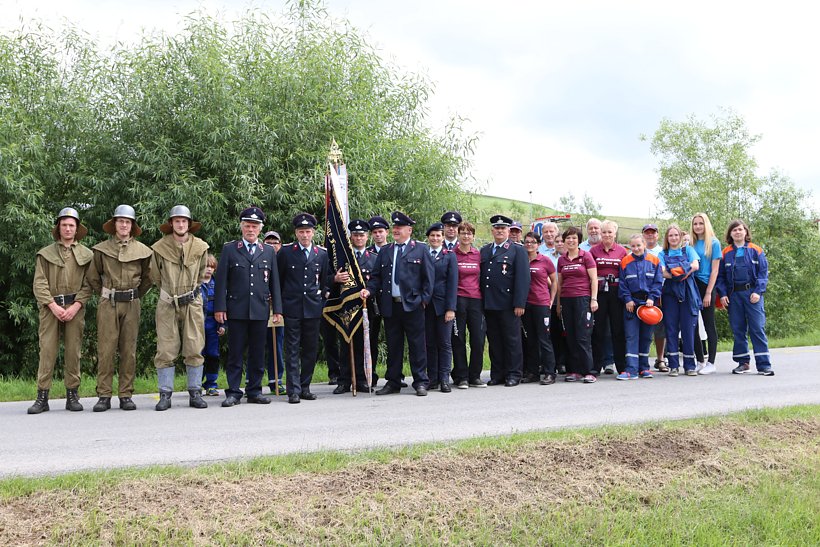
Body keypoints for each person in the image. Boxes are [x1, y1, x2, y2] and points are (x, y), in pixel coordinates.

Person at [214, 206, 282, 406]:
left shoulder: (268, 251)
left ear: (260, 229)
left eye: (254, 226)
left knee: (257, 353)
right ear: (241, 227)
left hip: (260, 310)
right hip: (236, 309)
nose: (250, 229)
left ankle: (254, 391)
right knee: (235, 353)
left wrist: (277, 309)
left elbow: (274, 283)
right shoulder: (230, 249)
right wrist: (220, 308)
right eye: (247, 226)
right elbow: (221, 282)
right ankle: (234, 392)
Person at [87, 205, 153, 412]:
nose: (124, 225)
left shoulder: (143, 251)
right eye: (120, 221)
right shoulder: (101, 250)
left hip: (132, 303)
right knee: (105, 349)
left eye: (127, 222)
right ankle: (104, 395)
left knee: (128, 350)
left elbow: (148, 278)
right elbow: (92, 277)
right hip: (109, 303)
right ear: (114, 224)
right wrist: (107, 293)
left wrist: (134, 294)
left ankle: (126, 394)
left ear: (132, 226)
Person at [28, 207, 93, 414]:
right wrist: (53, 306)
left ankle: (72, 395)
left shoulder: (86, 254)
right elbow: (39, 284)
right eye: (64, 225)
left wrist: (76, 306)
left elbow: (89, 284)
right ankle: (42, 396)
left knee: (73, 351)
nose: (67, 228)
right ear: (58, 228)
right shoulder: (45, 254)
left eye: (71, 225)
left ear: (77, 229)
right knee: (47, 351)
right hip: (50, 309)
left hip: (75, 308)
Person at [363, 211, 434, 396]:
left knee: (417, 345)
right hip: (391, 306)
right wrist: (369, 290)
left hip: (412, 305)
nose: (395, 230)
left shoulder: (420, 249)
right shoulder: (386, 250)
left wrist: (423, 300)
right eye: (394, 228)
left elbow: (428, 279)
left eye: (399, 228)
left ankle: (420, 381)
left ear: (409, 230)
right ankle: (393, 381)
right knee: (394, 345)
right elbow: (376, 276)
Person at [150, 205, 210, 411]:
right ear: (171, 224)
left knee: (194, 347)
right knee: (166, 348)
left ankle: (195, 392)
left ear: (189, 224)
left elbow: (202, 274)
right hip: (168, 302)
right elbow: (155, 276)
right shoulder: (159, 247)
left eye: (184, 221)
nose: (181, 224)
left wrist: (190, 292)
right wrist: (170, 292)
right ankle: (165, 394)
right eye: (177, 221)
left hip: (192, 302)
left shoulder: (201, 247)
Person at [275, 213, 330, 404]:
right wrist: (279, 307)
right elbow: (279, 281)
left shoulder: (321, 254)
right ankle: (294, 390)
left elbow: (324, 281)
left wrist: (322, 301)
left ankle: (305, 386)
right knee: (291, 349)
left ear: (313, 232)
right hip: (292, 307)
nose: (305, 235)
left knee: (310, 349)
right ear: (296, 233)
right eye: (301, 232)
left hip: (313, 308)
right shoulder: (286, 252)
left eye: (307, 231)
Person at [716, 220, 774, 376]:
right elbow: (720, 277)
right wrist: (722, 294)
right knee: (738, 329)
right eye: (734, 230)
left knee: (757, 328)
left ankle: (764, 365)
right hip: (734, 296)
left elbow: (763, 274)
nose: (737, 232)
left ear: (746, 232)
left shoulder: (757, 250)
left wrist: (758, 291)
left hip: (752, 295)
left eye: (740, 229)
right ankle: (743, 363)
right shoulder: (725, 252)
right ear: (730, 234)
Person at [479, 215, 530, 386]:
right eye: (497, 228)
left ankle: (514, 374)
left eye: (503, 228)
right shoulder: (485, 250)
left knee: (512, 340)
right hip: (489, 303)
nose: (500, 231)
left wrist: (520, 303)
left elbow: (523, 279)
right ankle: (498, 373)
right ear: (492, 230)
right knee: (494, 340)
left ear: (508, 231)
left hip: (509, 304)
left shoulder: (517, 250)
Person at [332, 219, 376, 394]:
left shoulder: (374, 258)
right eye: (356, 235)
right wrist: (336, 279)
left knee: (364, 344)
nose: (359, 238)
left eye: (362, 235)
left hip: (367, 308)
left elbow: (378, 281)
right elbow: (331, 279)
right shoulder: (343, 259)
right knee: (346, 342)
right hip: (347, 309)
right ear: (350, 237)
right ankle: (344, 380)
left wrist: (370, 291)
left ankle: (362, 379)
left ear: (367, 237)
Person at [555, 225, 598, 383]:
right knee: (570, 336)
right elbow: (560, 284)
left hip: (583, 299)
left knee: (583, 336)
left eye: (574, 238)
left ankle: (589, 371)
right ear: (564, 241)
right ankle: (574, 371)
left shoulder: (586, 256)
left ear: (579, 240)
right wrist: (559, 304)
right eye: (568, 238)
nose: (571, 240)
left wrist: (593, 299)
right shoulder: (562, 259)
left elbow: (594, 279)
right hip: (566, 300)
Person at [617, 234, 663, 379]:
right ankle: (631, 370)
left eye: (638, 245)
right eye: (633, 246)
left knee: (646, 337)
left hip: (648, 305)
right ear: (630, 247)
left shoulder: (654, 261)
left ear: (644, 245)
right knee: (631, 336)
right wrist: (627, 300)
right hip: (631, 305)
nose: (636, 248)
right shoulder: (625, 262)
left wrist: (651, 298)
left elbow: (658, 282)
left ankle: (644, 368)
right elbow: (622, 284)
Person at [658, 224, 701, 376]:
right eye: (671, 235)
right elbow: (662, 272)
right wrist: (681, 272)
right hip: (670, 293)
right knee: (671, 328)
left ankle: (690, 365)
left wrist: (679, 273)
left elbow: (695, 265)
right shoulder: (662, 253)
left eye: (676, 235)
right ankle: (674, 366)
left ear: (681, 237)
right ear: (667, 238)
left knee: (688, 328)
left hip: (688, 291)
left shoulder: (688, 250)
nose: (674, 238)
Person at [451, 221, 486, 389]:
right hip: (458, 299)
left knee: (478, 340)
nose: (466, 236)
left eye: (469, 233)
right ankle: (462, 376)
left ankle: (475, 376)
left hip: (476, 300)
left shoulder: (478, 255)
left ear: (473, 236)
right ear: (458, 235)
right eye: (463, 233)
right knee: (458, 339)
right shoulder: (452, 254)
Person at [590, 220, 627, 375]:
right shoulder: (593, 251)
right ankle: (596, 365)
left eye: (609, 232)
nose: (606, 235)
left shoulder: (622, 251)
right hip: (599, 293)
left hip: (616, 293)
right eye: (604, 232)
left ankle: (621, 366)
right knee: (598, 330)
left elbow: (625, 274)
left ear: (615, 233)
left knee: (618, 330)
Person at [424, 222, 458, 392]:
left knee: (444, 343)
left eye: (438, 235)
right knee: (430, 343)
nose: (435, 238)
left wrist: (451, 308)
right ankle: (432, 378)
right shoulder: (423, 253)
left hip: (444, 307)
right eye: (432, 236)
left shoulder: (449, 256)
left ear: (443, 238)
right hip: (426, 306)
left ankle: (444, 379)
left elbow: (453, 284)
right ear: (428, 238)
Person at [522, 232, 558, 385]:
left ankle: (550, 373)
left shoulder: (545, 260)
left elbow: (554, 281)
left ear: (538, 244)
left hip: (541, 304)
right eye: (527, 242)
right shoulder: (521, 260)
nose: (529, 244)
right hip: (526, 305)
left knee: (544, 339)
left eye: (533, 242)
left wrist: (551, 300)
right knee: (530, 340)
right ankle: (533, 372)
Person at [690, 213, 721, 375]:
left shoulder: (714, 243)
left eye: (701, 223)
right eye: (695, 224)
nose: (698, 227)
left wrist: (709, 293)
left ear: (706, 224)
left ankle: (711, 362)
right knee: (693, 325)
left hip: (707, 286)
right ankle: (700, 360)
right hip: (693, 286)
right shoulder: (691, 243)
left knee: (709, 325)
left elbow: (715, 270)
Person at [366, 214, 390, 384]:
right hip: (373, 302)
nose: (378, 235)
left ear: (386, 232)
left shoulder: (395, 249)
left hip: (389, 300)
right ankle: (371, 375)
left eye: (380, 231)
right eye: (374, 232)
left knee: (393, 339)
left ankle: (395, 375)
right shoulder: (368, 253)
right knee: (372, 339)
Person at [643, 223, 668, 372]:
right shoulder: (638, 248)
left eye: (653, 233)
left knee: (660, 329)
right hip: (642, 294)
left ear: (657, 235)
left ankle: (660, 359)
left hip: (659, 293)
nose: (650, 235)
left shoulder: (662, 252)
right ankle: (643, 359)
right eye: (647, 233)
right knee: (644, 330)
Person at [263, 231, 285, 394]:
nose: (272, 245)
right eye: (268, 242)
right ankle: (252, 381)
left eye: (275, 242)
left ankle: (276, 381)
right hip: (259, 307)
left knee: (277, 345)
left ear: (280, 245)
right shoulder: (259, 257)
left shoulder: (284, 261)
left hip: (277, 309)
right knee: (256, 345)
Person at [200, 254, 224, 396]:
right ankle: (196, 383)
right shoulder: (196, 284)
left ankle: (211, 384)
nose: (209, 270)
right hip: (198, 324)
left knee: (213, 355)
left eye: (212, 267)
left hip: (213, 324)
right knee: (198, 354)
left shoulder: (218, 285)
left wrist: (223, 325)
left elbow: (222, 306)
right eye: (206, 266)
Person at [550, 231, 569, 375]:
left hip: (568, 295)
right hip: (552, 294)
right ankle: (556, 362)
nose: (560, 244)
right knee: (554, 332)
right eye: (557, 242)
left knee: (566, 332)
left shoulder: (571, 257)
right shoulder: (548, 257)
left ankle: (565, 362)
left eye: (562, 241)